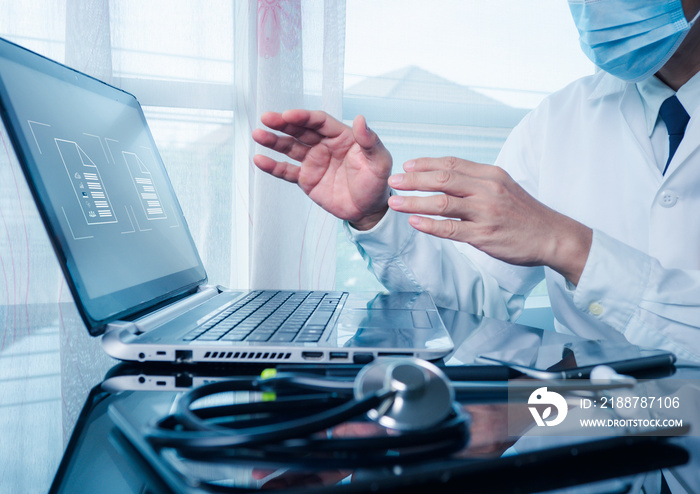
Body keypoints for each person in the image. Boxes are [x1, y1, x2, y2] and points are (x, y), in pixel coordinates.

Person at [252, 0, 700, 361]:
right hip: (590, 426)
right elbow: (481, 306)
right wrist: (376, 216)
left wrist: (569, 246)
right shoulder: (558, 118)